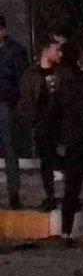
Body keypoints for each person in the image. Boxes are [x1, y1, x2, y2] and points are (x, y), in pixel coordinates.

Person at [57, 48, 83, 245]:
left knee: (71, 189)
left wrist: (60, 139)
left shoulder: (68, 84)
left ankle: (66, 232)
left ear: (79, 64)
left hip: (73, 142)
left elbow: (56, 111)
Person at [18, 38, 64, 211]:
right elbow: (25, 101)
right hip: (43, 125)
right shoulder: (31, 74)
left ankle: (62, 196)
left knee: (62, 159)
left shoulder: (60, 73)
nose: (60, 53)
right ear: (46, 51)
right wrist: (34, 120)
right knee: (46, 161)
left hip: (59, 124)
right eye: (56, 50)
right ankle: (50, 196)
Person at [0, 15, 28, 209]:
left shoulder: (15, 51)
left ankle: (14, 194)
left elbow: (21, 79)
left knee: (9, 149)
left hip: (5, 104)